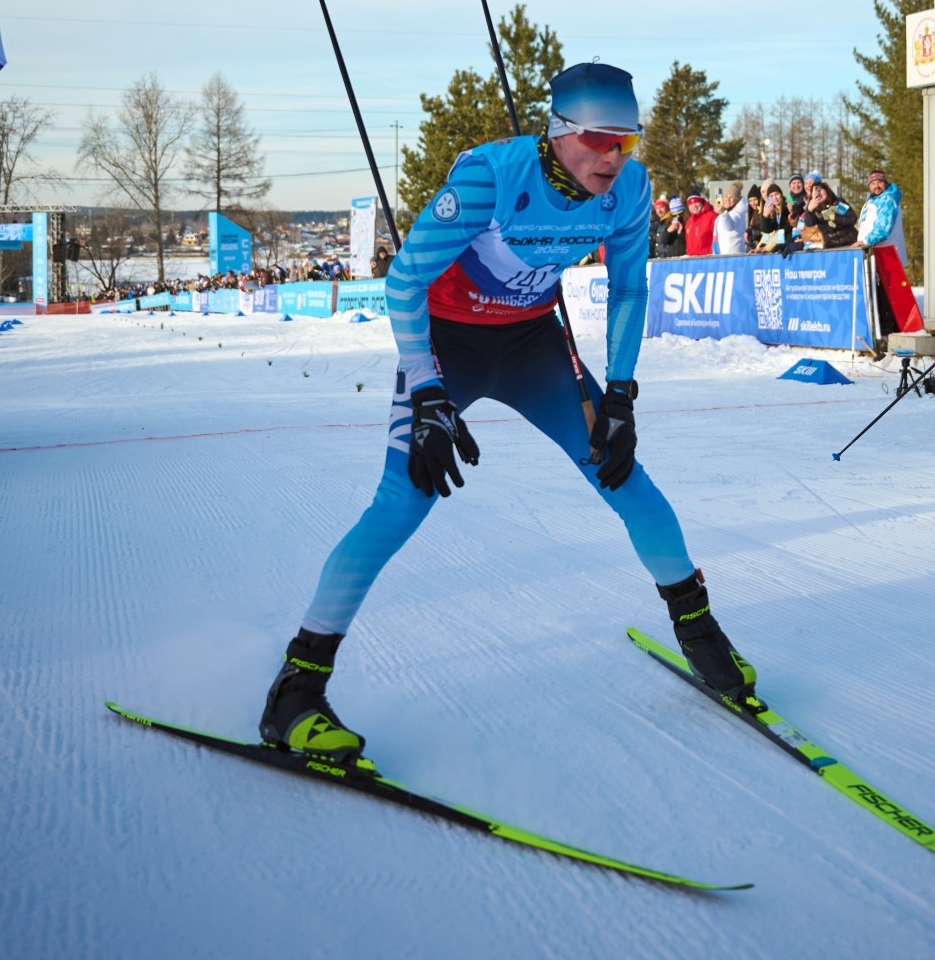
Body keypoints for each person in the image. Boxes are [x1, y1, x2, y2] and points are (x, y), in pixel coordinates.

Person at [259, 63, 755, 763]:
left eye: (626, 142)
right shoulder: (491, 178)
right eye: (598, 141)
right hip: (447, 344)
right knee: (402, 501)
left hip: (530, 345)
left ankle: (699, 629)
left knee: (621, 473)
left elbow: (627, 288)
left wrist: (619, 393)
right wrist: (427, 390)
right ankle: (295, 691)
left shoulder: (630, 190)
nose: (613, 156)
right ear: (558, 134)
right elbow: (403, 279)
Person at [856, 169, 908, 265]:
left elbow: (883, 227)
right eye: (872, 183)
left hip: (888, 256)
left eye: (879, 182)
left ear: (886, 183)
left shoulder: (887, 200)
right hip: (875, 255)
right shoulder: (873, 201)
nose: (876, 186)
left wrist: (865, 241)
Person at [801, 180, 858, 249]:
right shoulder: (814, 212)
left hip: (850, 243)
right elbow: (809, 227)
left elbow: (852, 219)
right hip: (830, 248)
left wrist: (834, 217)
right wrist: (809, 211)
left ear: (826, 190)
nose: (818, 193)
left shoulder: (838, 204)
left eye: (819, 190)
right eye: (815, 192)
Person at [713, 187, 751, 256]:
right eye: (726, 196)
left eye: (731, 197)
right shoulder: (727, 212)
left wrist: (723, 213)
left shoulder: (737, 213)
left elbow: (729, 227)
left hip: (732, 255)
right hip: (723, 254)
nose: (728, 200)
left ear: (736, 200)